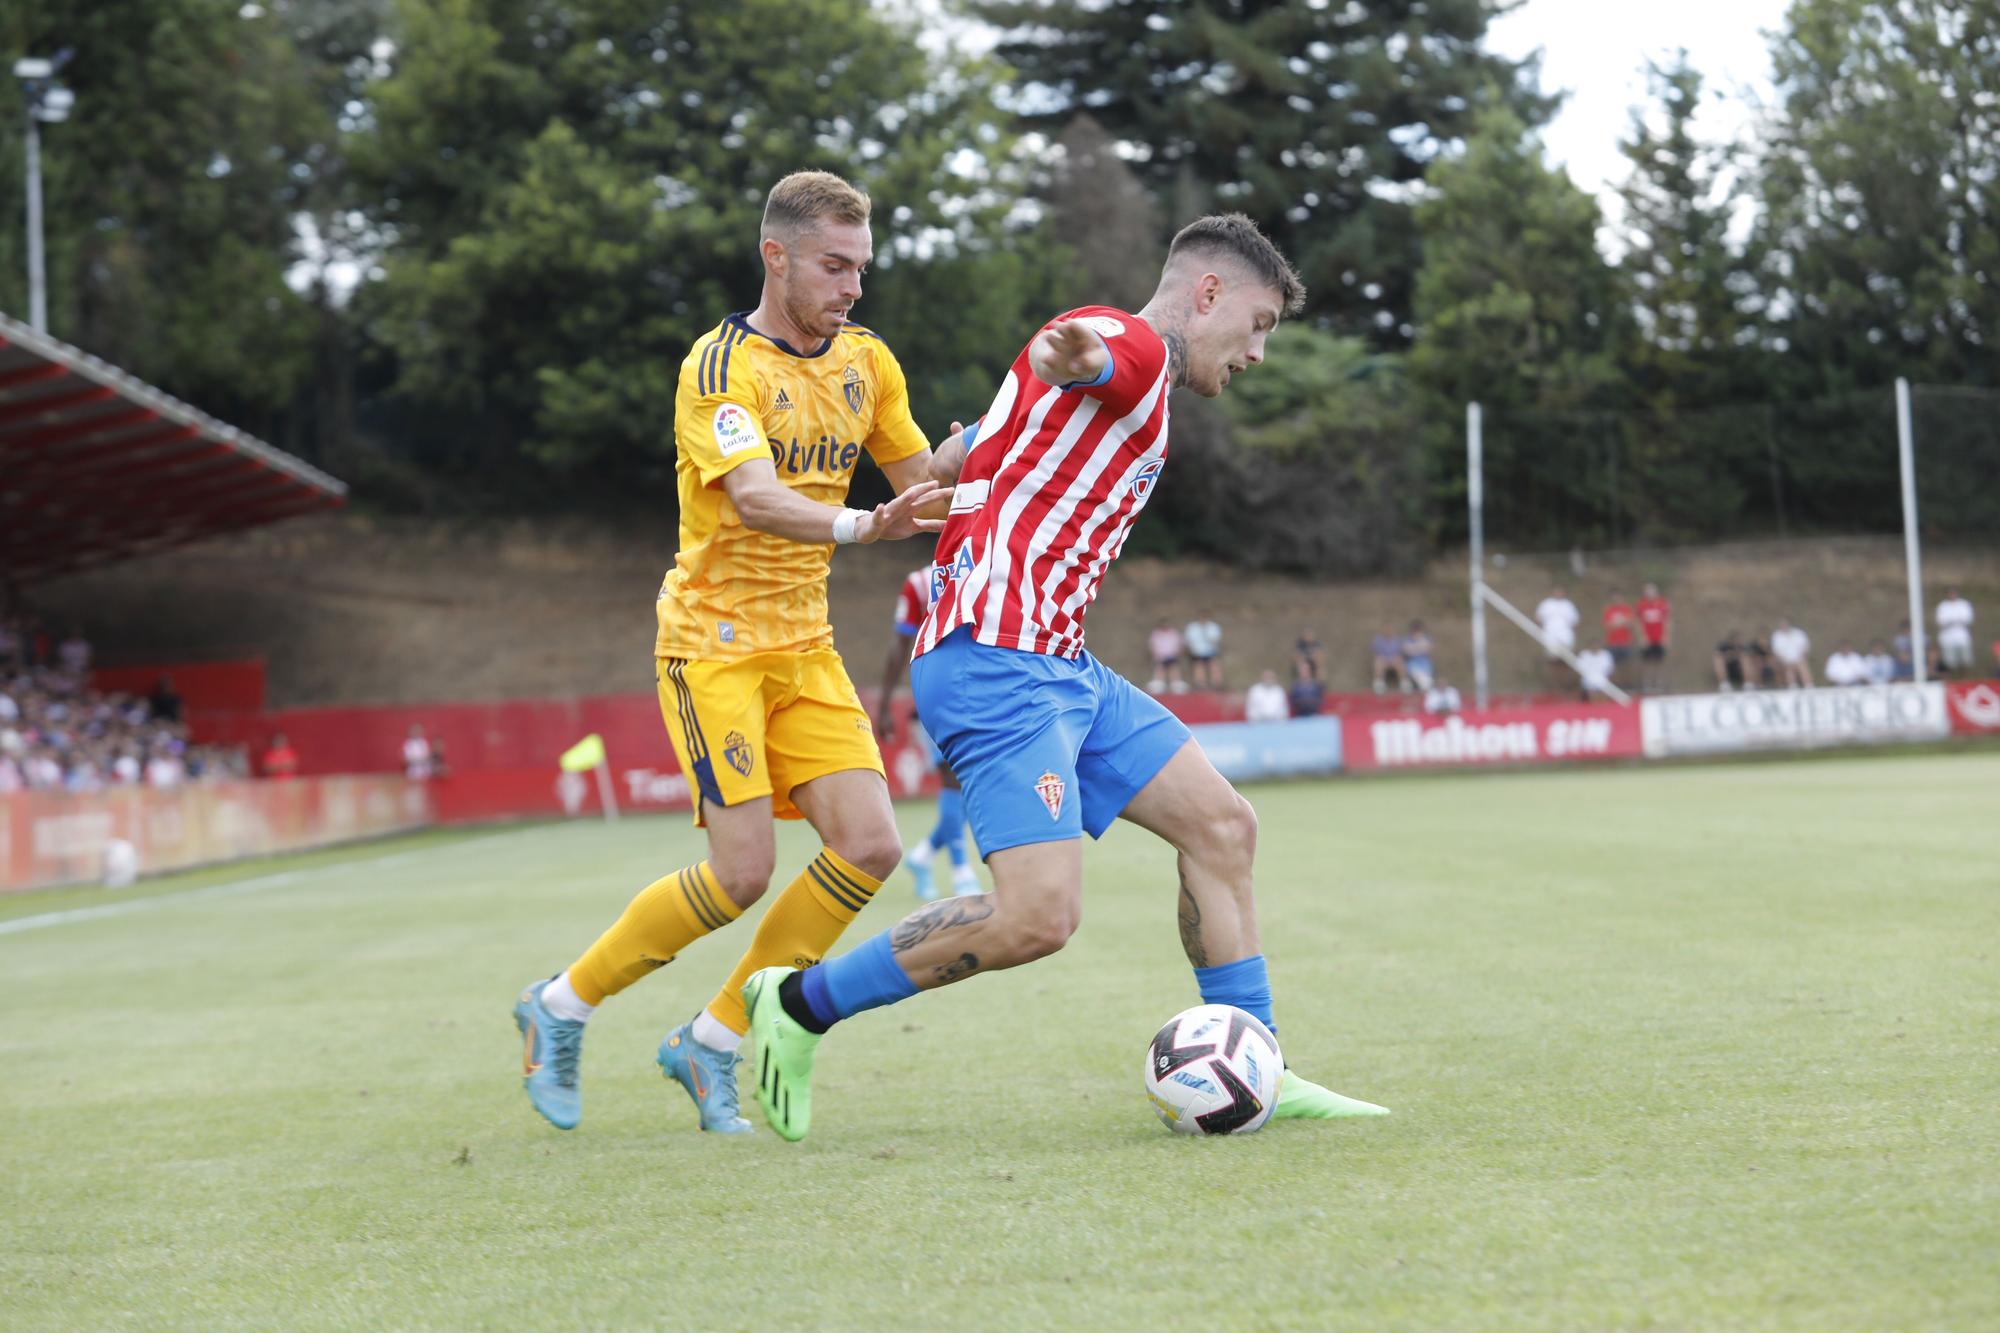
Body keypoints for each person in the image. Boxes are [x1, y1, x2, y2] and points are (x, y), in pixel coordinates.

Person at [737, 212, 1386, 1141]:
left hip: (1060, 664)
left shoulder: (1117, 383)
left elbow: (977, 448)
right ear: (1207, 294)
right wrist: (1071, 352)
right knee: (1038, 917)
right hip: (997, 663)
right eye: (1259, 324)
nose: (1258, 352)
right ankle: (797, 1003)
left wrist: (972, 447)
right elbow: (1090, 353)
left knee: (1221, 826)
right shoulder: (1132, 348)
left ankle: (1261, 1066)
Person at [511, 171, 949, 1137]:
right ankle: (559, 1005)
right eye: (834, 267)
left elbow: (923, 484)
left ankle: (709, 1040)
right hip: (711, 644)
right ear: (776, 256)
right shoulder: (720, 368)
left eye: (862, 268)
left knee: (872, 843)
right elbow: (756, 497)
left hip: (806, 643)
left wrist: (1005, 441)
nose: (852, 288)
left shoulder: (868, 361)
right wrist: (866, 526)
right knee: (741, 871)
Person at [878, 566, 979, 901]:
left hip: (977, 697)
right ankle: (961, 872)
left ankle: (922, 857)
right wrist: (884, 704)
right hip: (933, 702)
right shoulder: (919, 583)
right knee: (952, 779)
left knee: (970, 790)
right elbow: (899, 642)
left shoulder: (985, 568)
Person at [1535, 586, 1580, 689]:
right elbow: (1538, 619)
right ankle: (1555, 685)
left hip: (1565, 637)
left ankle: (1566, 684)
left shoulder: (1568, 605)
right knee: (1552, 660)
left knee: (1566, 661)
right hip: (1550, 636)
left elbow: (1575, 621)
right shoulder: (1546, 604)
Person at [1636, 582, 1671, 692]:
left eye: (1652, 590)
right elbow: (1639, 622)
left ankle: (1659, 684)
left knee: (1659, 661)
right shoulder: (1642, 605)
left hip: (1659, 637)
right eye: (1647, 591)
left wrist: (1666, 636)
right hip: (1647, 638)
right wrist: (1642, 637)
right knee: (1647, 661)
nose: (1650, 593)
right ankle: (1647, 684)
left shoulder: (1662, 604)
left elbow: (1667, 621)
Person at [1936, 587, 1975, 675]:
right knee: (1950, 662)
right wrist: (1955, 620)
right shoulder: (1943, 606)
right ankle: (1953, 679)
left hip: (1962, 637)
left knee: (1965, 661)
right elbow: (1941, 621)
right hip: (1947, 638)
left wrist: (1951, 621)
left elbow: (1967, 619)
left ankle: (1964, 679)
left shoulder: (1964, 604)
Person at [1602, 591, 1636, 687]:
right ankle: (1616, 686)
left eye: (1618, 598)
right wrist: (1622, 622)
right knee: (1612, 665)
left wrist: (1617, 623)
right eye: (1614, 598)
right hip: (1613, 642)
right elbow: (1608, 626)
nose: (1616, 600)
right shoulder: (1609, 610)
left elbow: (1630, 624)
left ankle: (1627, 685)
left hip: (1625, 641)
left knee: (1626, 664)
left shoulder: (1627, 609)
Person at [1183, 613, 1223, 689]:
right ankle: (1200, 684)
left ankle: (1216, 684)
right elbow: (1188, 640)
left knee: (1214, 666)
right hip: (1197, 652)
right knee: (1199, 667)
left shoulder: (1213, 627)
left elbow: (1216, 640)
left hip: (1211, 651)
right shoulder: (1192, 627)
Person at [1771, 616, 1812, 689]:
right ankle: (1792, 686)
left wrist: (1802, 657)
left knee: (1802, 665)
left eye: (1785, 624)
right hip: (1785, 660)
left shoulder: (1799, 633)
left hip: (1799, 658)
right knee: (1789, 667)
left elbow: (1805, 647)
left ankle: (1808, 685)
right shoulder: (1777, 636)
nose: (1784, 626)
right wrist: (1784, 660)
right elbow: (1776, 651)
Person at [1146, 620, 1184, 693]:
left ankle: (1175, 686)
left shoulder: (1173, 633)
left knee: (1174, 671)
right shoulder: (1156, 634)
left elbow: (1179, 644)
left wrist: (1177, 653)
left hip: (1172, 656)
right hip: (1160, 656)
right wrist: (1156, 655)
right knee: (1160, 671)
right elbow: (1153, 645)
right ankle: (1159, 686)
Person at [1400, 619, 1435, 691]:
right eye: (1415, 630)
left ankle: (1424, 684)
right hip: (1412, 663)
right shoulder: (1407, 639)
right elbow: (1407, 651)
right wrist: (1419, 648)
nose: (1416, 632)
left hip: (1424, 662)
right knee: (1415, 673)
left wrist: (1415, 649)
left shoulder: (1426, 638)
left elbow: (1428, 649)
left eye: (1418, 630)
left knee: (1425, 678)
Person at [1368, 624, 1401, 694]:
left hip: (1394, 660)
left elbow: (1400, 651)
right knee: (1378, 661)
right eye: (1387, 630)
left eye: (1390, 630)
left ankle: (1405, 682)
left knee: (1399, 660)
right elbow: (1374, 650)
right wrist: (1384, 659)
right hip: (1383, 660)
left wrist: (1393, 658)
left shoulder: (1396, 640)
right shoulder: (1378, 640)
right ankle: (1379, 683)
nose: (1388, 631)